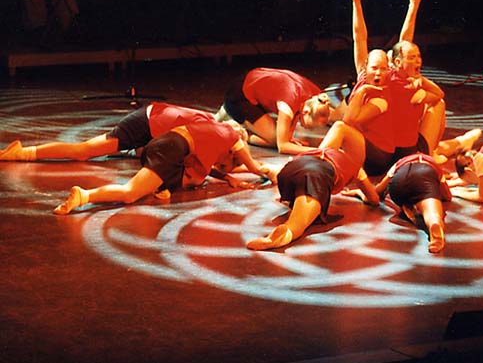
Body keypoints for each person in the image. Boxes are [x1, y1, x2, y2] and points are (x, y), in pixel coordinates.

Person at [344, 0, 479, 175]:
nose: (380, 71)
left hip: (398, 149)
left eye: (384, 67)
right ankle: (452, 145)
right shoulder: (371, 75)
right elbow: (360, 39)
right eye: (375, 67)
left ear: (392, 65)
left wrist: (413, 6)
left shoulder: (392, 76)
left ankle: (446, 147)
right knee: (435, 107)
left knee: (434, 105)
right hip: (387, 151)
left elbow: (403, 43)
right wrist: (356, 3)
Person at [51, 117, 275, 215]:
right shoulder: (234, 139)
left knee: (179, 179)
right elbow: (253, 167)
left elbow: (212, 168)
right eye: (232, 162)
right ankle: (85, 196)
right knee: (130, 193)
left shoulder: (214, 131)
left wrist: (227, 177)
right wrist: (273, 175)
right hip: (171, 150)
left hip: (161, 144)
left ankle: (161, 187)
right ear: (235, 150)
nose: (227, 165)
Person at [246, 121, 380, 250]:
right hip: (315, 175)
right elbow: (374, 199)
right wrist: (360, 193)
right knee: (299, 222)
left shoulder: (323, 151)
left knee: (300, 187)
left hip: (291, 169)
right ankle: (285, 233)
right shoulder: (355, 167)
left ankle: (273, 174)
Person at [215, 67, 332, 154]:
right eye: (311, 126)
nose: (311, 129)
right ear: (306, 112)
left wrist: (290, 141)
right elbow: (282, 146)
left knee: (284, 137)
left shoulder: (317, 98)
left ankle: (234, 115)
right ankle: (239, 129)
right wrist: (318, 151)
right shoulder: (289, 103)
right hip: (239, 97)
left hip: (253, 85)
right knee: (274, 140)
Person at [375, 153, 451, 253]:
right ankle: (433, 222)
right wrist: (435, 191)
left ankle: (408, 206)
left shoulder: (400, 162)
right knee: (432, 213)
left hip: (398, 182)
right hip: (424, 175)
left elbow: (379, 190)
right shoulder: (432, 163)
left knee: (409, 195)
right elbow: (447, 196)